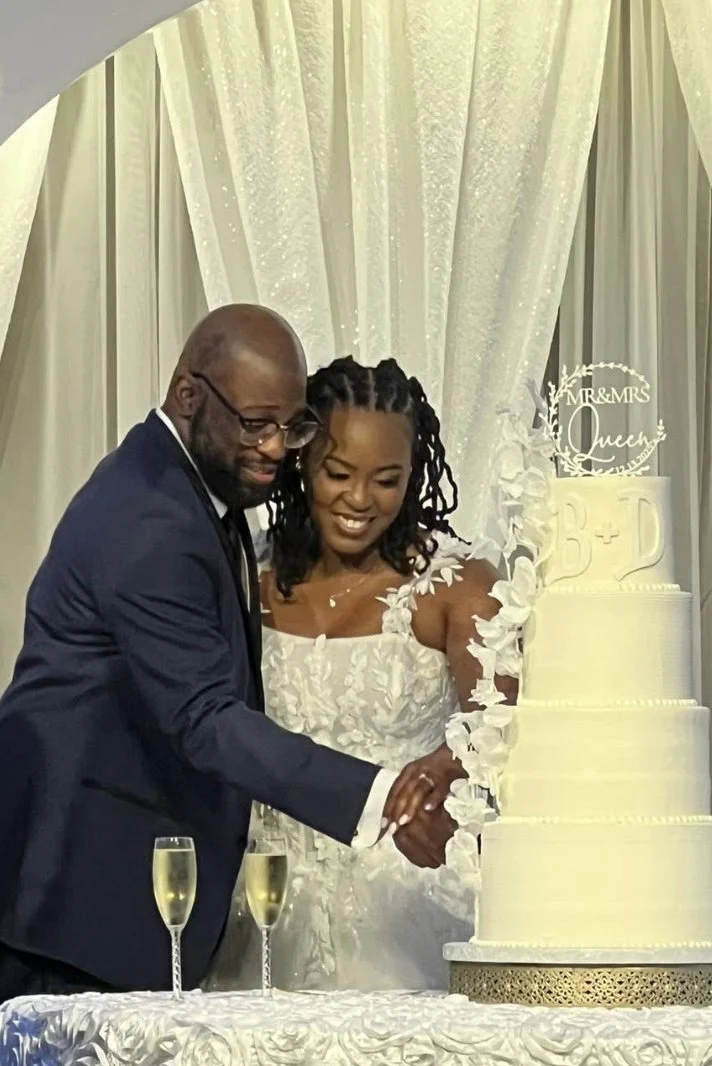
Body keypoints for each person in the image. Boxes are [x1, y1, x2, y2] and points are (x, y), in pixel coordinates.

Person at [0, 308, 452, 1001]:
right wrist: (380, 797)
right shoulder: (151, 515)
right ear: (189, 396)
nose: (275, 448)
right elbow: (205, 716)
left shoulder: (192, 493)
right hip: (70, 901)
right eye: (255, 424)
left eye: (290, 427)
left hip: (108, 907)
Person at [208, 355, 505, 993]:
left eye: (388, 480)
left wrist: (442, 765)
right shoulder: (243, 576)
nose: (360, 500)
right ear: (301, 463)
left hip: (403, 882)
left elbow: (501, 723)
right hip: (261, 887)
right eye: (338, 474)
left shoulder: (457, 585)